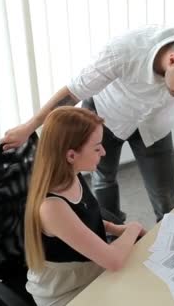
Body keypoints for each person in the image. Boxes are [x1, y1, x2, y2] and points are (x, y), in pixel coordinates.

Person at [2, 22, 174, 223]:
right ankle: (113, 237)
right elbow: (73, 93)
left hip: (155, 125)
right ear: (172, 60)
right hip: (108, 116)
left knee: (166, 196)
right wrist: (30, 126)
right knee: (104, 180)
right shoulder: (124, 51)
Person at [24, 107, 145, 306]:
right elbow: (113, 261)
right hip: (66, 291)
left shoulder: (72, 175)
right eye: (97, 148)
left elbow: (84, 218)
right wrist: (134, 228)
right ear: (71, 155)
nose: (104, 152)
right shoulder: (52, 207)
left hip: (89, 269)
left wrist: (114, 228)